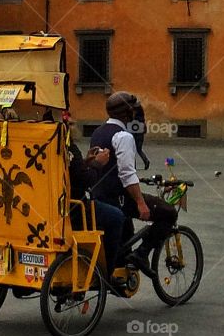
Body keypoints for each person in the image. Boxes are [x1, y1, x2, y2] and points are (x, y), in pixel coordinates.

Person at [88, 92, 177, 271]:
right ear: (128, 113)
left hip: (99, 196)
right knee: (168, 212)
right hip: (119, 199)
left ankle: (121, 266)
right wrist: (140, 202)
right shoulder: (124, 136)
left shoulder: (98, 132)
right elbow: (127, 174)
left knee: (125, 238)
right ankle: (142, 254)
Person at [66, 135, 125, 273]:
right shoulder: (66, 144)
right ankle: (107, 271)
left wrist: (85, 162)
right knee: (116, 217)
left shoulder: (46, 142)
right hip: (74, 208)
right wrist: (98, 164)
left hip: (52, 208)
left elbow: (73, 172)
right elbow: (85, 179)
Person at [130, 99, 151, 170]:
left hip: (136, 133)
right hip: (139, 133)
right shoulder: (140, 115)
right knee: (138, 149)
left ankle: (134, 166)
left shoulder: (135, 115)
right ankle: (146, 161)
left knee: (134, 149)